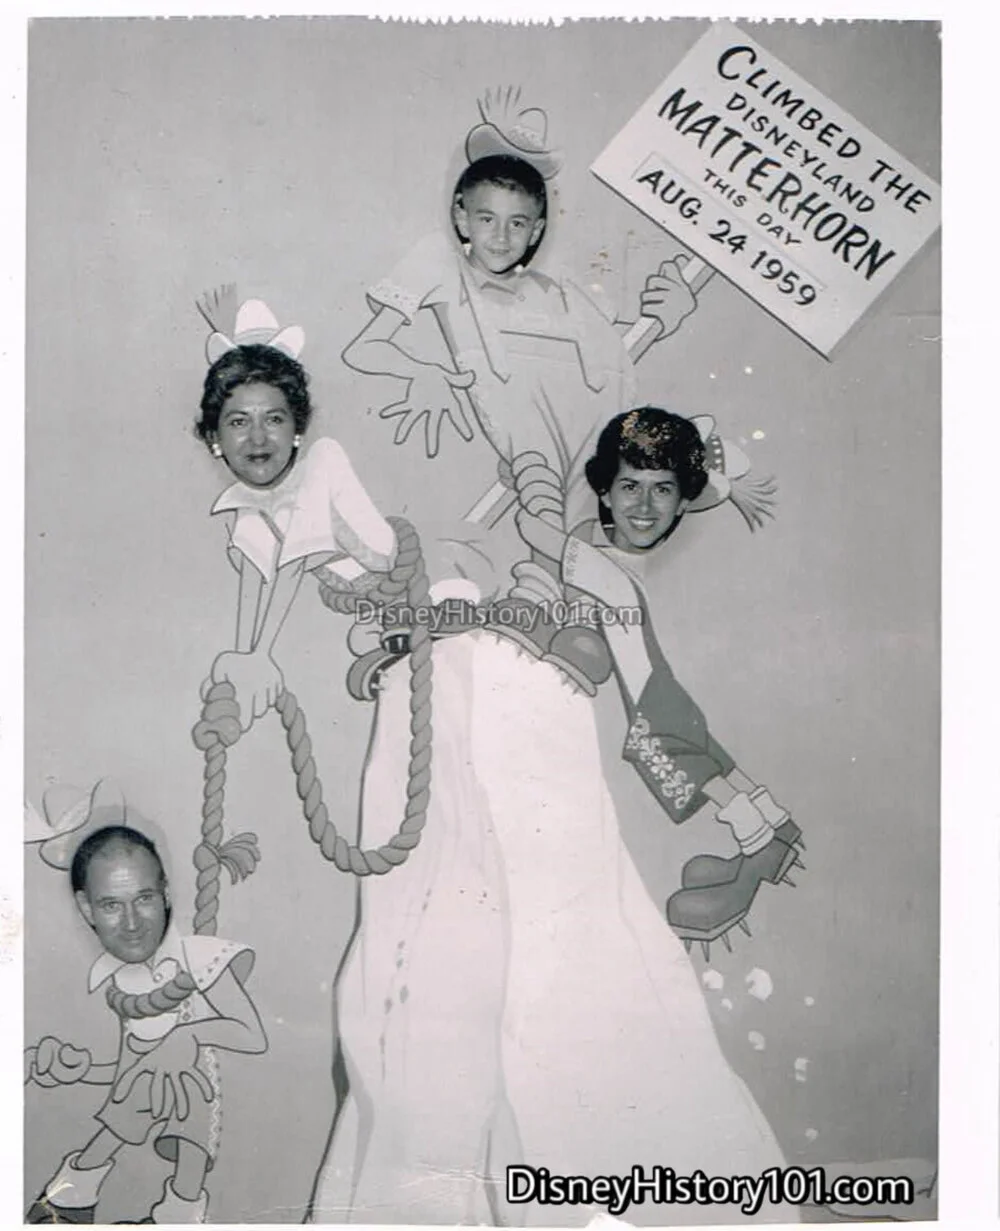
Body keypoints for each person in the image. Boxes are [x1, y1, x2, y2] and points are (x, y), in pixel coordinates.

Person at [513, 406, 805, 951]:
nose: (644, 506)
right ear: (604, 490)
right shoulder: (592, 541)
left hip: (652, 691)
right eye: (630, 486)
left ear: (683, 497)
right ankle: (770, 822)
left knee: (668, 754)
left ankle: (756, 835)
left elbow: (536, 529)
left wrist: (523, 471)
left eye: (662, 490)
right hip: (656, 683)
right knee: (706, 752)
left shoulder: (595, 559)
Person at [24, 782, 266, 1225]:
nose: (133, 923)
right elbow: (128, 1071)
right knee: (117, 1124)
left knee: (185, 1170)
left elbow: (252, 1034)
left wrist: (187, 1036)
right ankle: (70, 1199)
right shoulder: (120, 980)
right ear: (86, 908)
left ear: (166, 894)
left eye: (145, 899)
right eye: (112, 904)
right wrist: (82, 1073)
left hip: (191, 1108)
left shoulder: (199, 958)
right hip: (142, 1099)